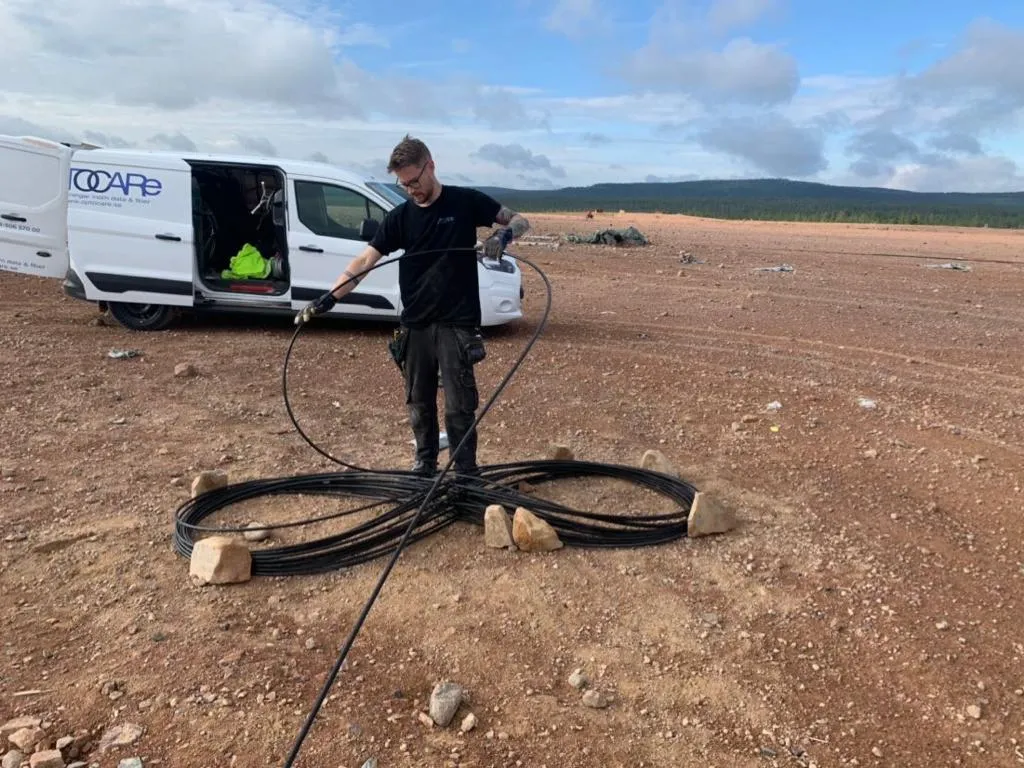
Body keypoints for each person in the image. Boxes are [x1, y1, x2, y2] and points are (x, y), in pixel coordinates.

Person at [295, 134, 530, 476]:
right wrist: (330, 297)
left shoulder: (465, 202)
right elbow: (365, 260)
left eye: (415, 181)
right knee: (419, 402)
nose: (411, 189)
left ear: (430, 165)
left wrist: (501, 237)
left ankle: (466, 473)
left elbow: (519, 220)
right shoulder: (400, 218)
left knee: (458, 405)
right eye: (403, 185)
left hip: (456, 322)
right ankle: (424, 466)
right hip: (415, 324)